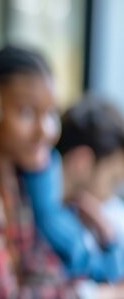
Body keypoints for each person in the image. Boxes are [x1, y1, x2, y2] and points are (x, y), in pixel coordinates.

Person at [0, 45, 124, 299]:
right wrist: (93, 298)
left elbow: (44, 273)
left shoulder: (18, 184)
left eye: (50, 114)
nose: (45, 130)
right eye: (26, 113)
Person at [22, 95, 124, 282]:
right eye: (112, 180)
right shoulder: (46, 208)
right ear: (82, 161)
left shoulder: (68, 210)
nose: (110, 195)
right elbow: (105, 279)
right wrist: (109, 240)